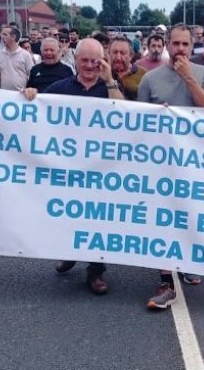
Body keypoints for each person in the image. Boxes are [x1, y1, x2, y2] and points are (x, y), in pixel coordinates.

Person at [23, 39, 125, 294]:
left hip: (102, 168)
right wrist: (30, 96)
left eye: (96, 61)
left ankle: (96, 271)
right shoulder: (59, 88)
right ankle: (69, 252)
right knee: (68, 213)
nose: (90, 66)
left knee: (97, 219)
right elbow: (35, 114)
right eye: (84, 60)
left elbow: (125, 113)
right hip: (68, 167)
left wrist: (110, 79)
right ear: (75, 60)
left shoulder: (110, 87)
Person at [137, 24, 204, 309]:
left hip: (195, 163)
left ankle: (186, 262)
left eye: (185, 44)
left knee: (190, 214)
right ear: (166, 45)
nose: (180, 49)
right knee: (163, 217)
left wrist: (189, 79)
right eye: (176, 44)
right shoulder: (150, 78)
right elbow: (141, 123)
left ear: (191, 45)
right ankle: (166, 280)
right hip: (162, 162)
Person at [0, 26, 34, 90]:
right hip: (4, 94)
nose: (2, 37)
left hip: (22, 94)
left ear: (13, 37)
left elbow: (31, 74)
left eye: (5, 35)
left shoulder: (25, 55)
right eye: (1, 34)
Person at [107, 36, 147, 100]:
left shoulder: (144, 75)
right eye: (115, 52)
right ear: (108, 54)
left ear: (131, 55)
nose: (118, 58)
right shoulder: (102, 74)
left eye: (123, 53)